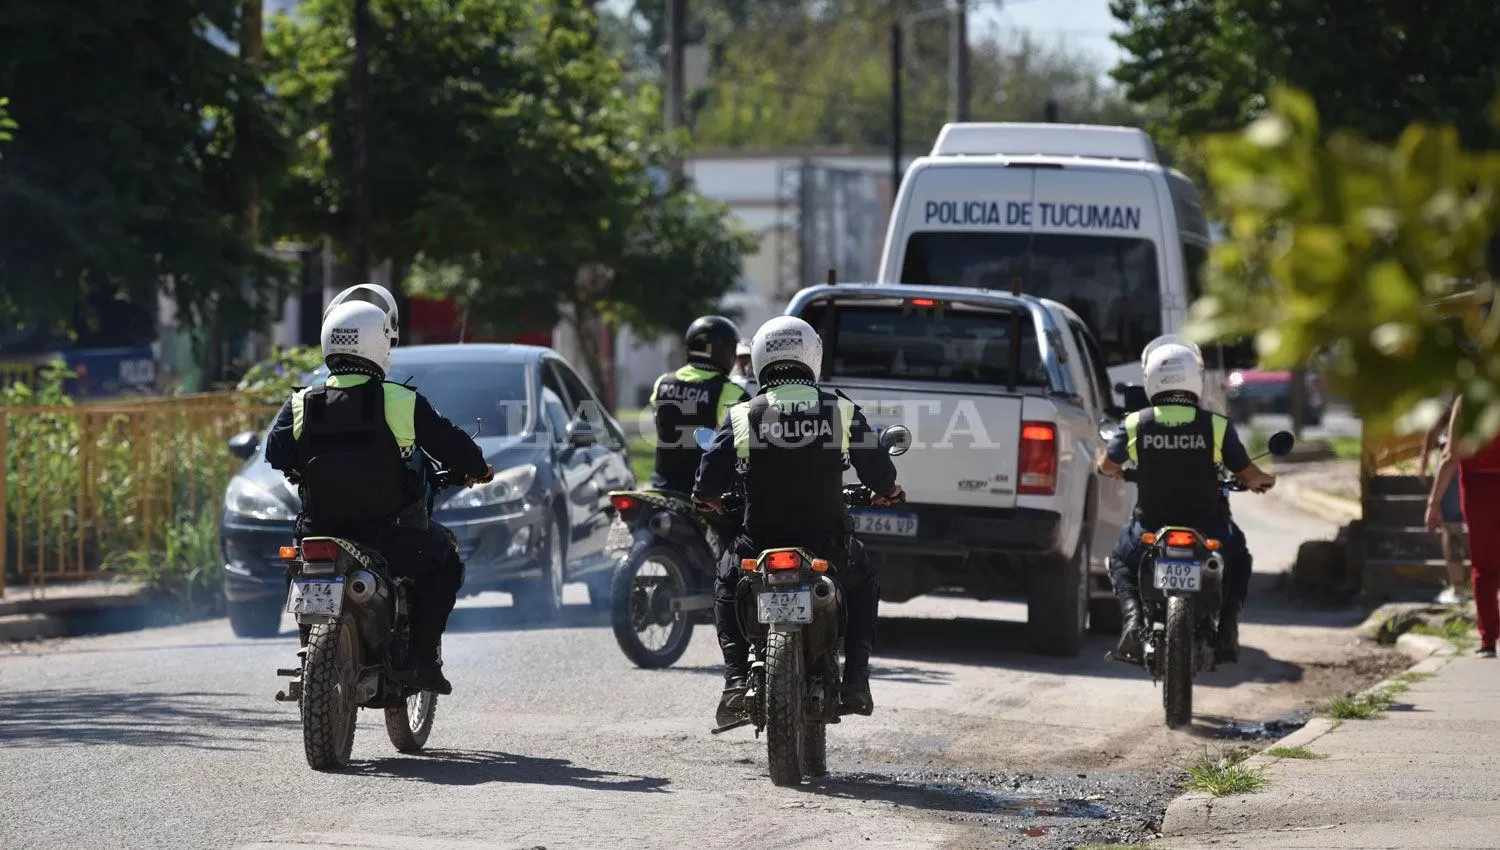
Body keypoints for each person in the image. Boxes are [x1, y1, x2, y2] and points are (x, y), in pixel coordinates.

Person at [266, 300, 492, 694]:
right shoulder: (400, 401)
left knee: (299, 565)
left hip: (321, 535)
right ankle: (422, 660)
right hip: (392, 540)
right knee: (445, 561)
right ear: (379, 345)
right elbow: (455, 447)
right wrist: (478, 468)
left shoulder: (302, 402)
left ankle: (309, 648)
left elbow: (275, 454)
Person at [693, 316, 904, 723]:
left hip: (757, 549)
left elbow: (707, 481)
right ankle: (857, 679)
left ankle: (736, 681)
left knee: (725, 579)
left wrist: (708, 500)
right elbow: (878, 470)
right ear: (813, 356)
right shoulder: (839, 408)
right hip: (828, 550)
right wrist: (888, 491)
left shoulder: (742, 416)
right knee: (865, 581)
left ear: (758, 359)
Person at [1097, 336, 1276, 664]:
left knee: (1120, 560)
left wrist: (1114, 471)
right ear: (1195, 377)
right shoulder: (1216, 426)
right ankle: (1227, 632)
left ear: (1150, 377)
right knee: (1240, 559)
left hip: (1149, 529)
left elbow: (1108, 465)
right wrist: (1263, 480)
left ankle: (1134, 621)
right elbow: (1248, 474)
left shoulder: (1137, 422)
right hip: (1209, 532)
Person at [1426, 395, 1500, 658]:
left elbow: (1450, 456)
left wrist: (1434, 503)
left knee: (1484, 565)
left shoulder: (1467, 399)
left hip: (1479, 488)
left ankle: (1488, 639)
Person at [647, 316, 749, 493]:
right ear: (724, 351)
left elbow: (660, 423)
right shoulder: (732, 392)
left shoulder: (663, 382)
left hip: (661, 486)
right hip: (703, 492)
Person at [1420, 399, 1470, 604]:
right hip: (1486, 464)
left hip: (1455, 465)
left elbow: (1435, 429)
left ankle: (1457, 589)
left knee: (1451, 524)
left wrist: (1433, 502)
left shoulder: (1456, 396)